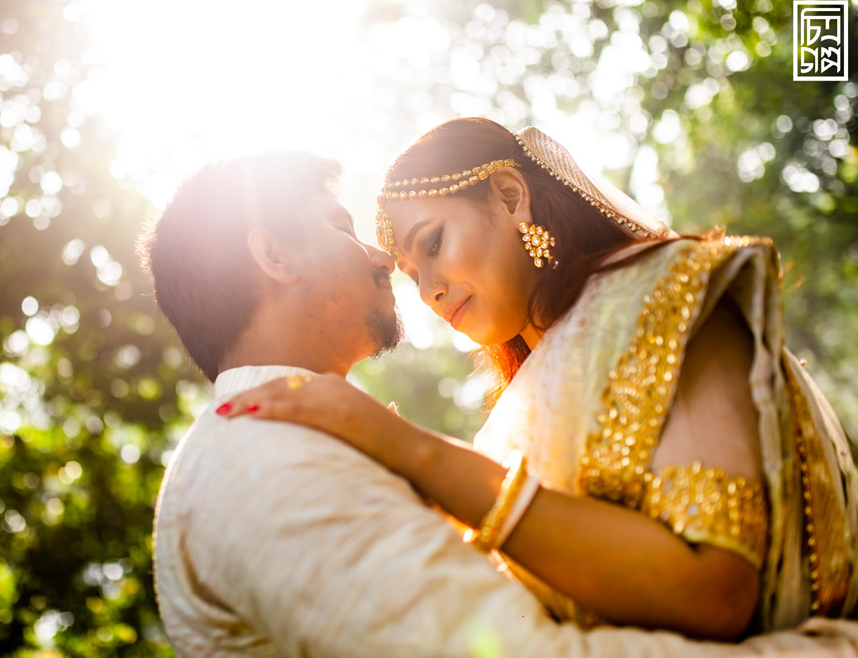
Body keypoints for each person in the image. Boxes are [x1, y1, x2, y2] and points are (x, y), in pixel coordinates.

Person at [217, 119, 858, 643]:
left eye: (434, 243)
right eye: (413, 275)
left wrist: (408, 448)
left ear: (508, 195)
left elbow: (717, 591)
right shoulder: (526, 404)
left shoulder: (666, 298)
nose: (431, 291)